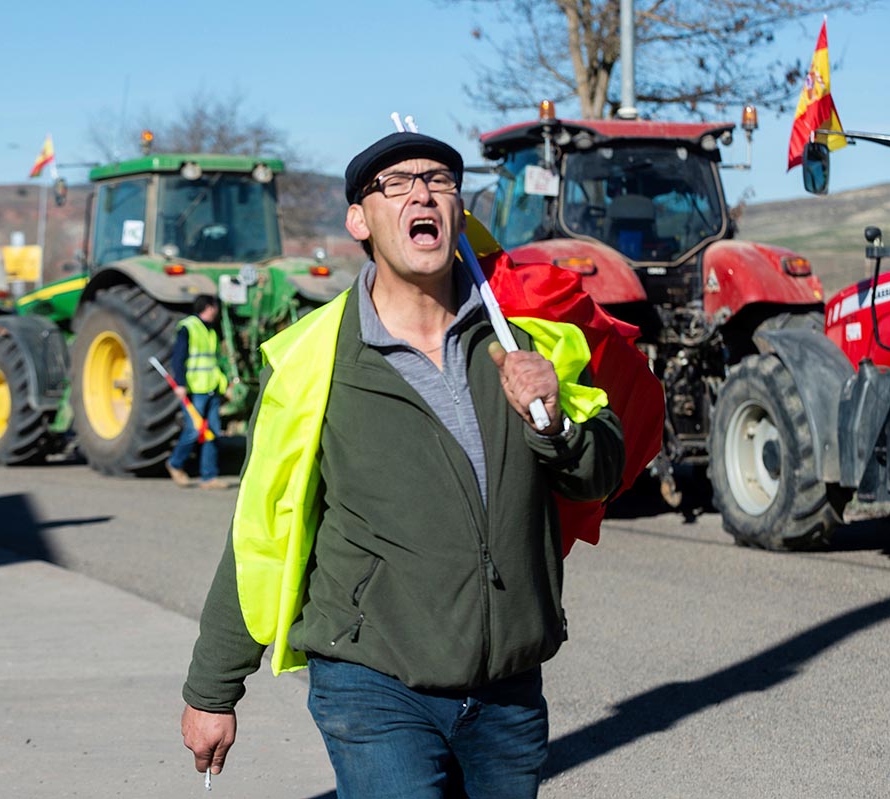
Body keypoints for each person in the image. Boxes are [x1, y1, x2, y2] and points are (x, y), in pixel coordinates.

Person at [180, 131, 626, 798]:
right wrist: (213, 688)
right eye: (397, 183)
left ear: (457, 210)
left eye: (440, 180)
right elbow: (261, 531)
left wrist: (554, 420)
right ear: (359, 218)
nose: (422, 191)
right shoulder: (317, 361)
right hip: (373, 682)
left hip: (507, 689)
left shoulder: (523, 342)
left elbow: (599, 474)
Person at [166, 293, 229, 490]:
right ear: (209, 307)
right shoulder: (188, 328)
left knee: (212, 432)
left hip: (211, 388)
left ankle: (209, 477)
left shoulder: (211, 331)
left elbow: (214, 361)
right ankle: (175, 463)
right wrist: (180, 384)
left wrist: (225, 385)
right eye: (215, 307)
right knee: (194, 430)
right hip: (195, 390)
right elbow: (179, 358)